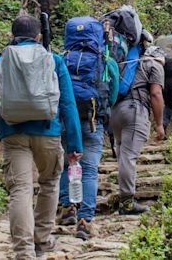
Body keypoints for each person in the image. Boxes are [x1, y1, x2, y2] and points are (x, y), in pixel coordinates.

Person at [0, 15, 83, 260]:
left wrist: (2, 125)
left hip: (14, 134)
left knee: (21, 190)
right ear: (38, 37)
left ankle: (23, 252)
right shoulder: (54, 60)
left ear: (11, 36)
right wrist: (74, 144)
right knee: (49, 183)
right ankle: (42, 241)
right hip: (48, 132)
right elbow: (68, 104)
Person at [56, 18, 120, 241]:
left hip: (66, 120)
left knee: (67, 164)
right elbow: (113, 93)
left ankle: (67, 209)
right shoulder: (105, 60)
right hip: (93, 121)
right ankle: (85, 219)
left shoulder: (62, 59)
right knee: (90, 169)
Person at [110, 45, 166, 214]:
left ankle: (124, 196)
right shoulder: (154, 65)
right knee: (128, 157)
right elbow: (155, 94)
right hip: (135, 110)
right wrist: (159, 124)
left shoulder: (128, 64)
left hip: (116, 112)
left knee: (123, 155)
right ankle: (127, 202)